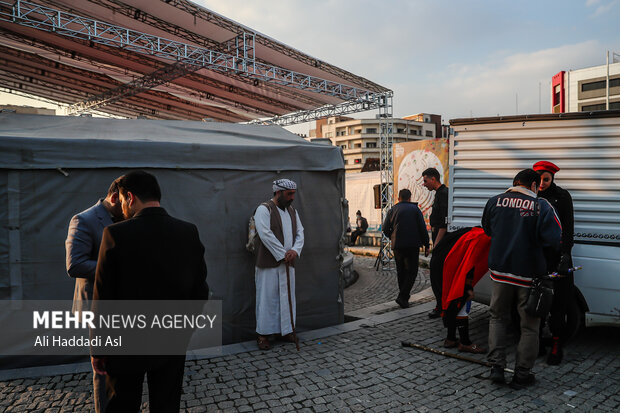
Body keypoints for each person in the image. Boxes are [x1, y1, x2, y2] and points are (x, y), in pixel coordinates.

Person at [91, 171, 209, 412]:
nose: (121, 207)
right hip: (172, 337)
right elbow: (200, 290)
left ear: (130, 197)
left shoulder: (115, 234)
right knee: (166, 404)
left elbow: (103, 299)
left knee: (122, 405)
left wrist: (98, 349)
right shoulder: (188, 232)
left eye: (122, 200)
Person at [482, 169, 561, 388]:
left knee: (497, 318)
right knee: (529, 326)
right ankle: (522, 374)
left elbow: (488, 230)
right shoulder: (542, 206)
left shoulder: (494, 201)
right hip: (529, 276)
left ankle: (496, 368)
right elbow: (554, 239)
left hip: (499, 272)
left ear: (515, 183)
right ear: (534, 185)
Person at [65, 177, 123, 413]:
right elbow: (74, 265)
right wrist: (115, 264)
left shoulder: (123, 218)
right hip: (96, 308)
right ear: (114, 197)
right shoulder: (83, 219)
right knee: (103, 371)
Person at [254, 178, 304, 350]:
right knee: (267, 299)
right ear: (278, 192)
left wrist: (295, 251)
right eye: (289, 194)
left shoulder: (292, 211)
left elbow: (300, 233)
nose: (292, 198)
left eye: (293, 194)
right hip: (269, 265)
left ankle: (286, 330)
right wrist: (283, 254)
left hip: (288, 264)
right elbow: (265, 234)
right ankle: (263, 335)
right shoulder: (264, 209)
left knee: (286, 298)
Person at [533, 160, 575, 365]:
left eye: (546, 179)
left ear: (552, 178)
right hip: (539, 257)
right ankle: (539, 341)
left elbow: (568, 228)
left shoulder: (563, 196)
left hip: (559, 256)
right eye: (539, 179)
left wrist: (565, 255)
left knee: (559, 304)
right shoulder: (532, 196)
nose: (542, 183)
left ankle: (557, 345)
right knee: (537, 301)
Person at [382, 188, 430, 308]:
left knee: (401, 271)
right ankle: (403, 296)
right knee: (412, 272)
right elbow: (422, 229)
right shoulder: (415, 210)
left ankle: (403, 297)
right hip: (412, 245)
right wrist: (427, 245)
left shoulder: (392, 210)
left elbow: (385, 228)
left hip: (397, 245)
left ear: (399, 198)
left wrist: (392, 236)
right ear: (410, 198)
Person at [422, 167, 449, 319]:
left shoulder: (443, 194)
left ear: (433, 179)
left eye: (425, 181)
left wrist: (436, 245)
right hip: (439, 240)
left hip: (442, 242)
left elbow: (444, 223)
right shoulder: (440, 193)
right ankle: (442, 305)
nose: (424, 184)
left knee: (436, 275)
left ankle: (441, 307)